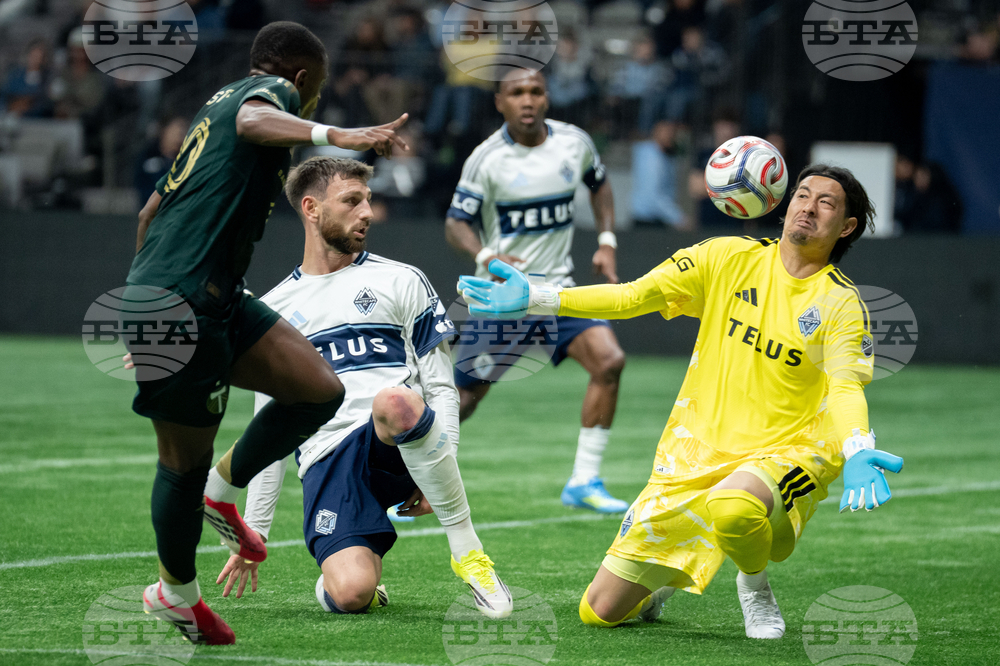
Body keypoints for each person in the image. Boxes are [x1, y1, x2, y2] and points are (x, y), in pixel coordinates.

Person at [458, 164, 905, 638]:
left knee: (735, 507)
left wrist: (857, 446)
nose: (808, 208)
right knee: (599, 611)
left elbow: (844, 384)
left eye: (827, 203)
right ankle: (667, 577)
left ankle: (754, 587)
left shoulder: (841, 303)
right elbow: (632, 296)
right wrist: (537, 298)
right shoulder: (726, 257)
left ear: (847, 227)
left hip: (790, 447)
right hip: (697, 451)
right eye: (802, 195)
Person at [125, 21, 409, 645]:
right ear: (302, 79)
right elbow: (258, 119)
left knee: (317, 389)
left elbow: (151, 212)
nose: (308, 101)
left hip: (214, 297)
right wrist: (335, 133)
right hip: (184, 306)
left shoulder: (207, 114)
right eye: (316, 91)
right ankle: (177, 595)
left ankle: (223, 492)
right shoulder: (267, 96)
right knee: (181, 465)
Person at [214, 156, 513, 619]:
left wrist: (443, 462)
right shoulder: (272, 311)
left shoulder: (401, 279)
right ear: (311, 209)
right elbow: (268, 431)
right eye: (352, 201)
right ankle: (353, 580)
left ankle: (469, 553)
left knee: (394, 399)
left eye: (368, 200)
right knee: (351, 594)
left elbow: (441, 387)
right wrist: (254, 533)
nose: (367, 212)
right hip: (327, 459)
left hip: (397, 435)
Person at [444, 69, 629, 514]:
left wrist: (606, 242)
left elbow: (600, 186)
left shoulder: (574, 143)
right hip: (503, 297)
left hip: (558, 291)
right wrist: (487, 257)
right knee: (463, 397)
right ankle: (418, 481)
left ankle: (584, 481)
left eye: (535, 91)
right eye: (517, 93)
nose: (527, 100)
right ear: (500, 102)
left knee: (610, 361)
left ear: (547, 98)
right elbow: (455, 222)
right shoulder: (486, 159)